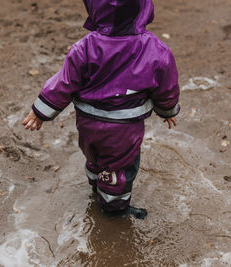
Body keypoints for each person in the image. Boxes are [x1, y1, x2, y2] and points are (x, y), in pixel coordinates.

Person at [22, 0, 180, 219]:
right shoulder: (155, 49)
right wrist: (168, 110)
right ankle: (114, 210)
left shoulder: (84, 47)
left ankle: (96, 184)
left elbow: (63, 82)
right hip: (123, 129)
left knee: (94, 156)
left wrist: (40, 112)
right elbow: (166, 86)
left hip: (88, 123)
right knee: (120, 168)